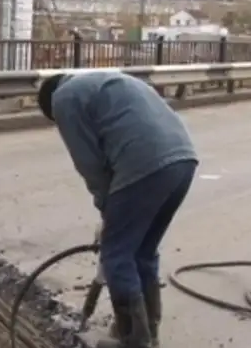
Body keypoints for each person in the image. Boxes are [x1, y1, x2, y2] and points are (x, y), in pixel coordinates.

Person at [36, 71, 198, 348]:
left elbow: (89, 164)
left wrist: (107, 209)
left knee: (116, 255)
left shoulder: (64, 98)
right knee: (143, 251)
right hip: (183, 160)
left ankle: (134, 340)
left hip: (145, 164)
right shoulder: (101, 83)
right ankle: (149, 332)